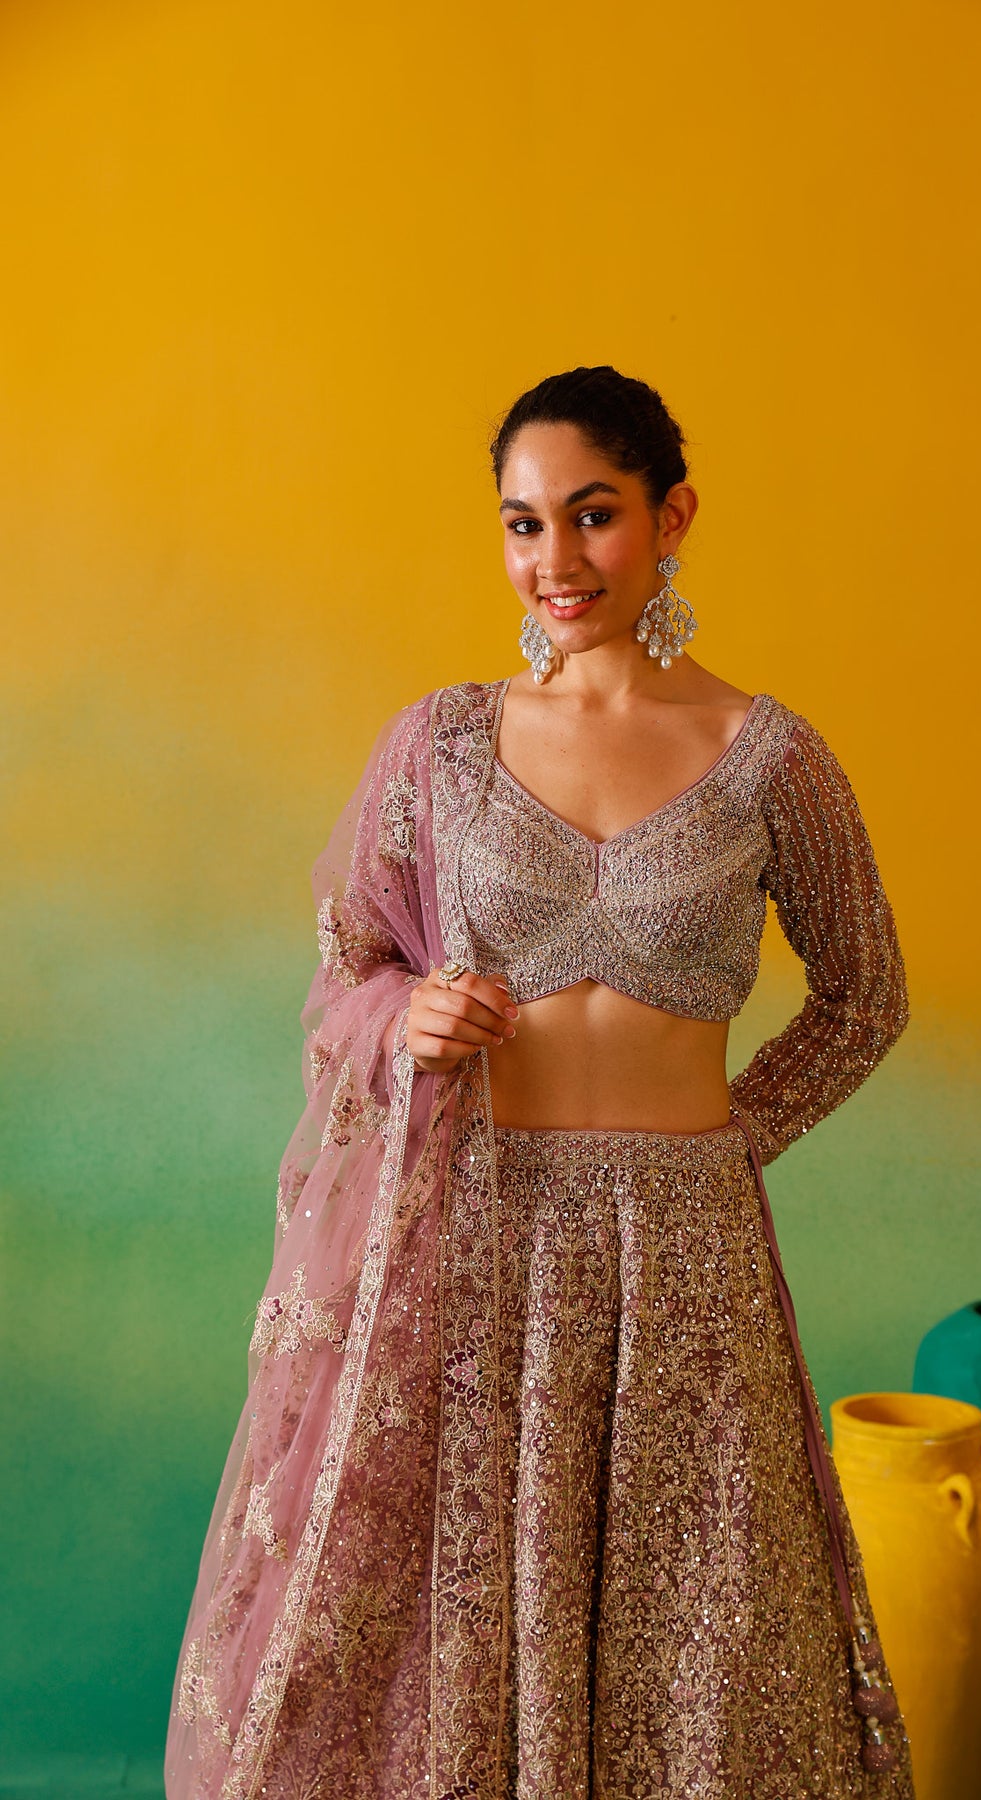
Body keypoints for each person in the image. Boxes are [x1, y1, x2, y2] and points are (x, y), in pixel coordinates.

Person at [165, 365, 916, 1799]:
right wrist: (407, 1018)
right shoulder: (442, 745)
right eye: (523, 524)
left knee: (699, 1619)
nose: (555, 560)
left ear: (671, 517)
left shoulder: (768, 757)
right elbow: (347, 963)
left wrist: (732, 1139)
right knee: (459, 1609)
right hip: (482, 1231)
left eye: (592, 515)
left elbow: (865, 994)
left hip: (684, 1245)